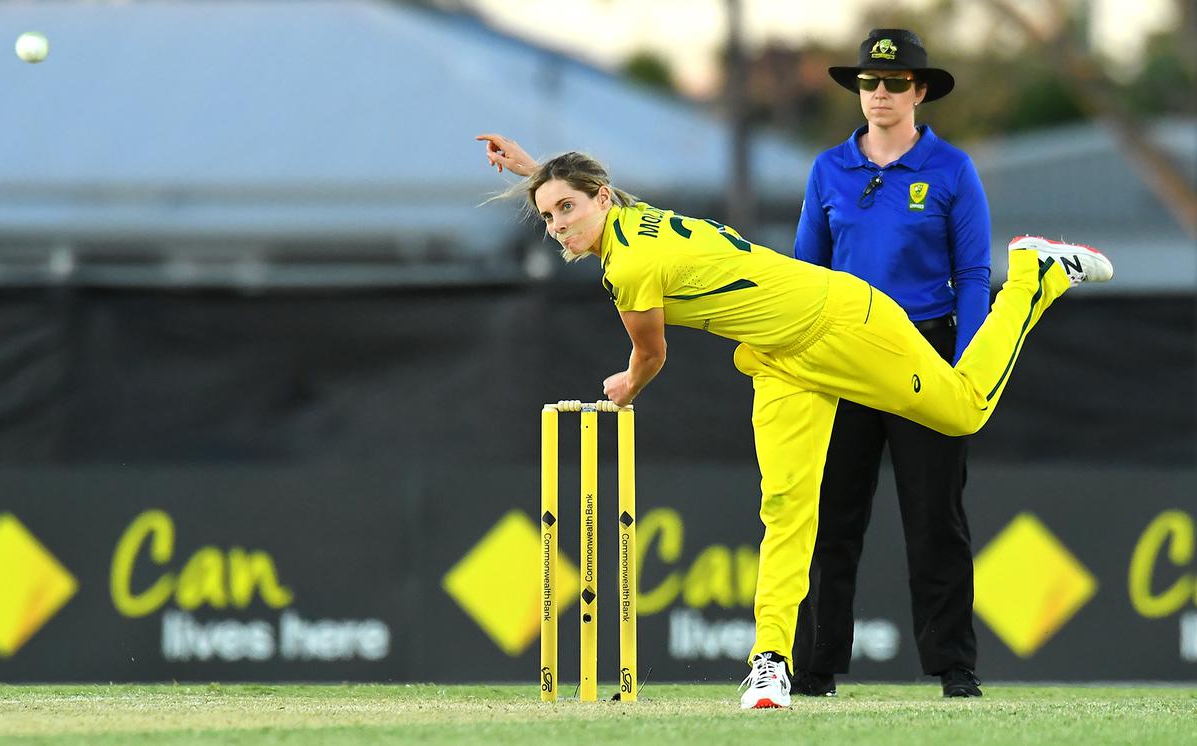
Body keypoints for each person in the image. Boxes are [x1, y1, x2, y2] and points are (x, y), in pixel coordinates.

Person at [476, 133, 1112, 709]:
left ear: (602, 199)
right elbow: (586, 197)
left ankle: (1033, 275)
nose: (558, 227)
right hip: (781, 361)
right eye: (548, 216)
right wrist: (539, 175)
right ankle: (770, 664)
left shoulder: (631, 265)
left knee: (964, 409)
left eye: (566, 210)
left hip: (843, 323)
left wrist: (625, 389)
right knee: (786, 507)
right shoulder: (629, 220)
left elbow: (650, 353)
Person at [792, 28, 989, 699]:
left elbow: (972, 274)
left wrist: (967, 368)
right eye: (870, 83)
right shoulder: (828, 170)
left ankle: (954, 667)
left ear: (920, 90)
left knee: (936, 517)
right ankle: (814, 667)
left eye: (895, 82)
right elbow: (805, 277)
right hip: (843, 358)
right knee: (831, 516)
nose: (880, 94)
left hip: (925, 354)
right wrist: (800, 362)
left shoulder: (952, 170)